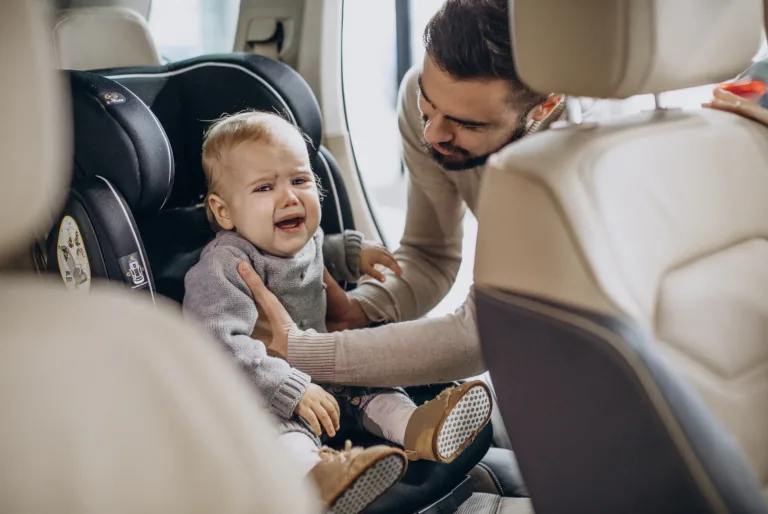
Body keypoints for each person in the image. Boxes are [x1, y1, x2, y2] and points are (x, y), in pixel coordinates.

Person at [236, 0, 563, 387]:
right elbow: (431, 255)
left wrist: (305, 352)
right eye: (428, 103)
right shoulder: (423, 103)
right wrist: (361, 309)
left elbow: (485, 334)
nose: (433, 134)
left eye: (467, 125)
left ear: (545, 107)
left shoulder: (565, 167)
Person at [183, 111, 494, 513]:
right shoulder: (225, 266)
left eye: (299, 180)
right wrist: (288, 388)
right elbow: (216, 345)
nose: (290, 197)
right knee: (283, 436)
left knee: (378, 390)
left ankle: (420, 430)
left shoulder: (295, 236)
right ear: (224, 212)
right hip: (269, 394)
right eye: (265, 187)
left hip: (327, 375)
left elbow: (316, 251)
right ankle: (323, 480)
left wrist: (350, 252)